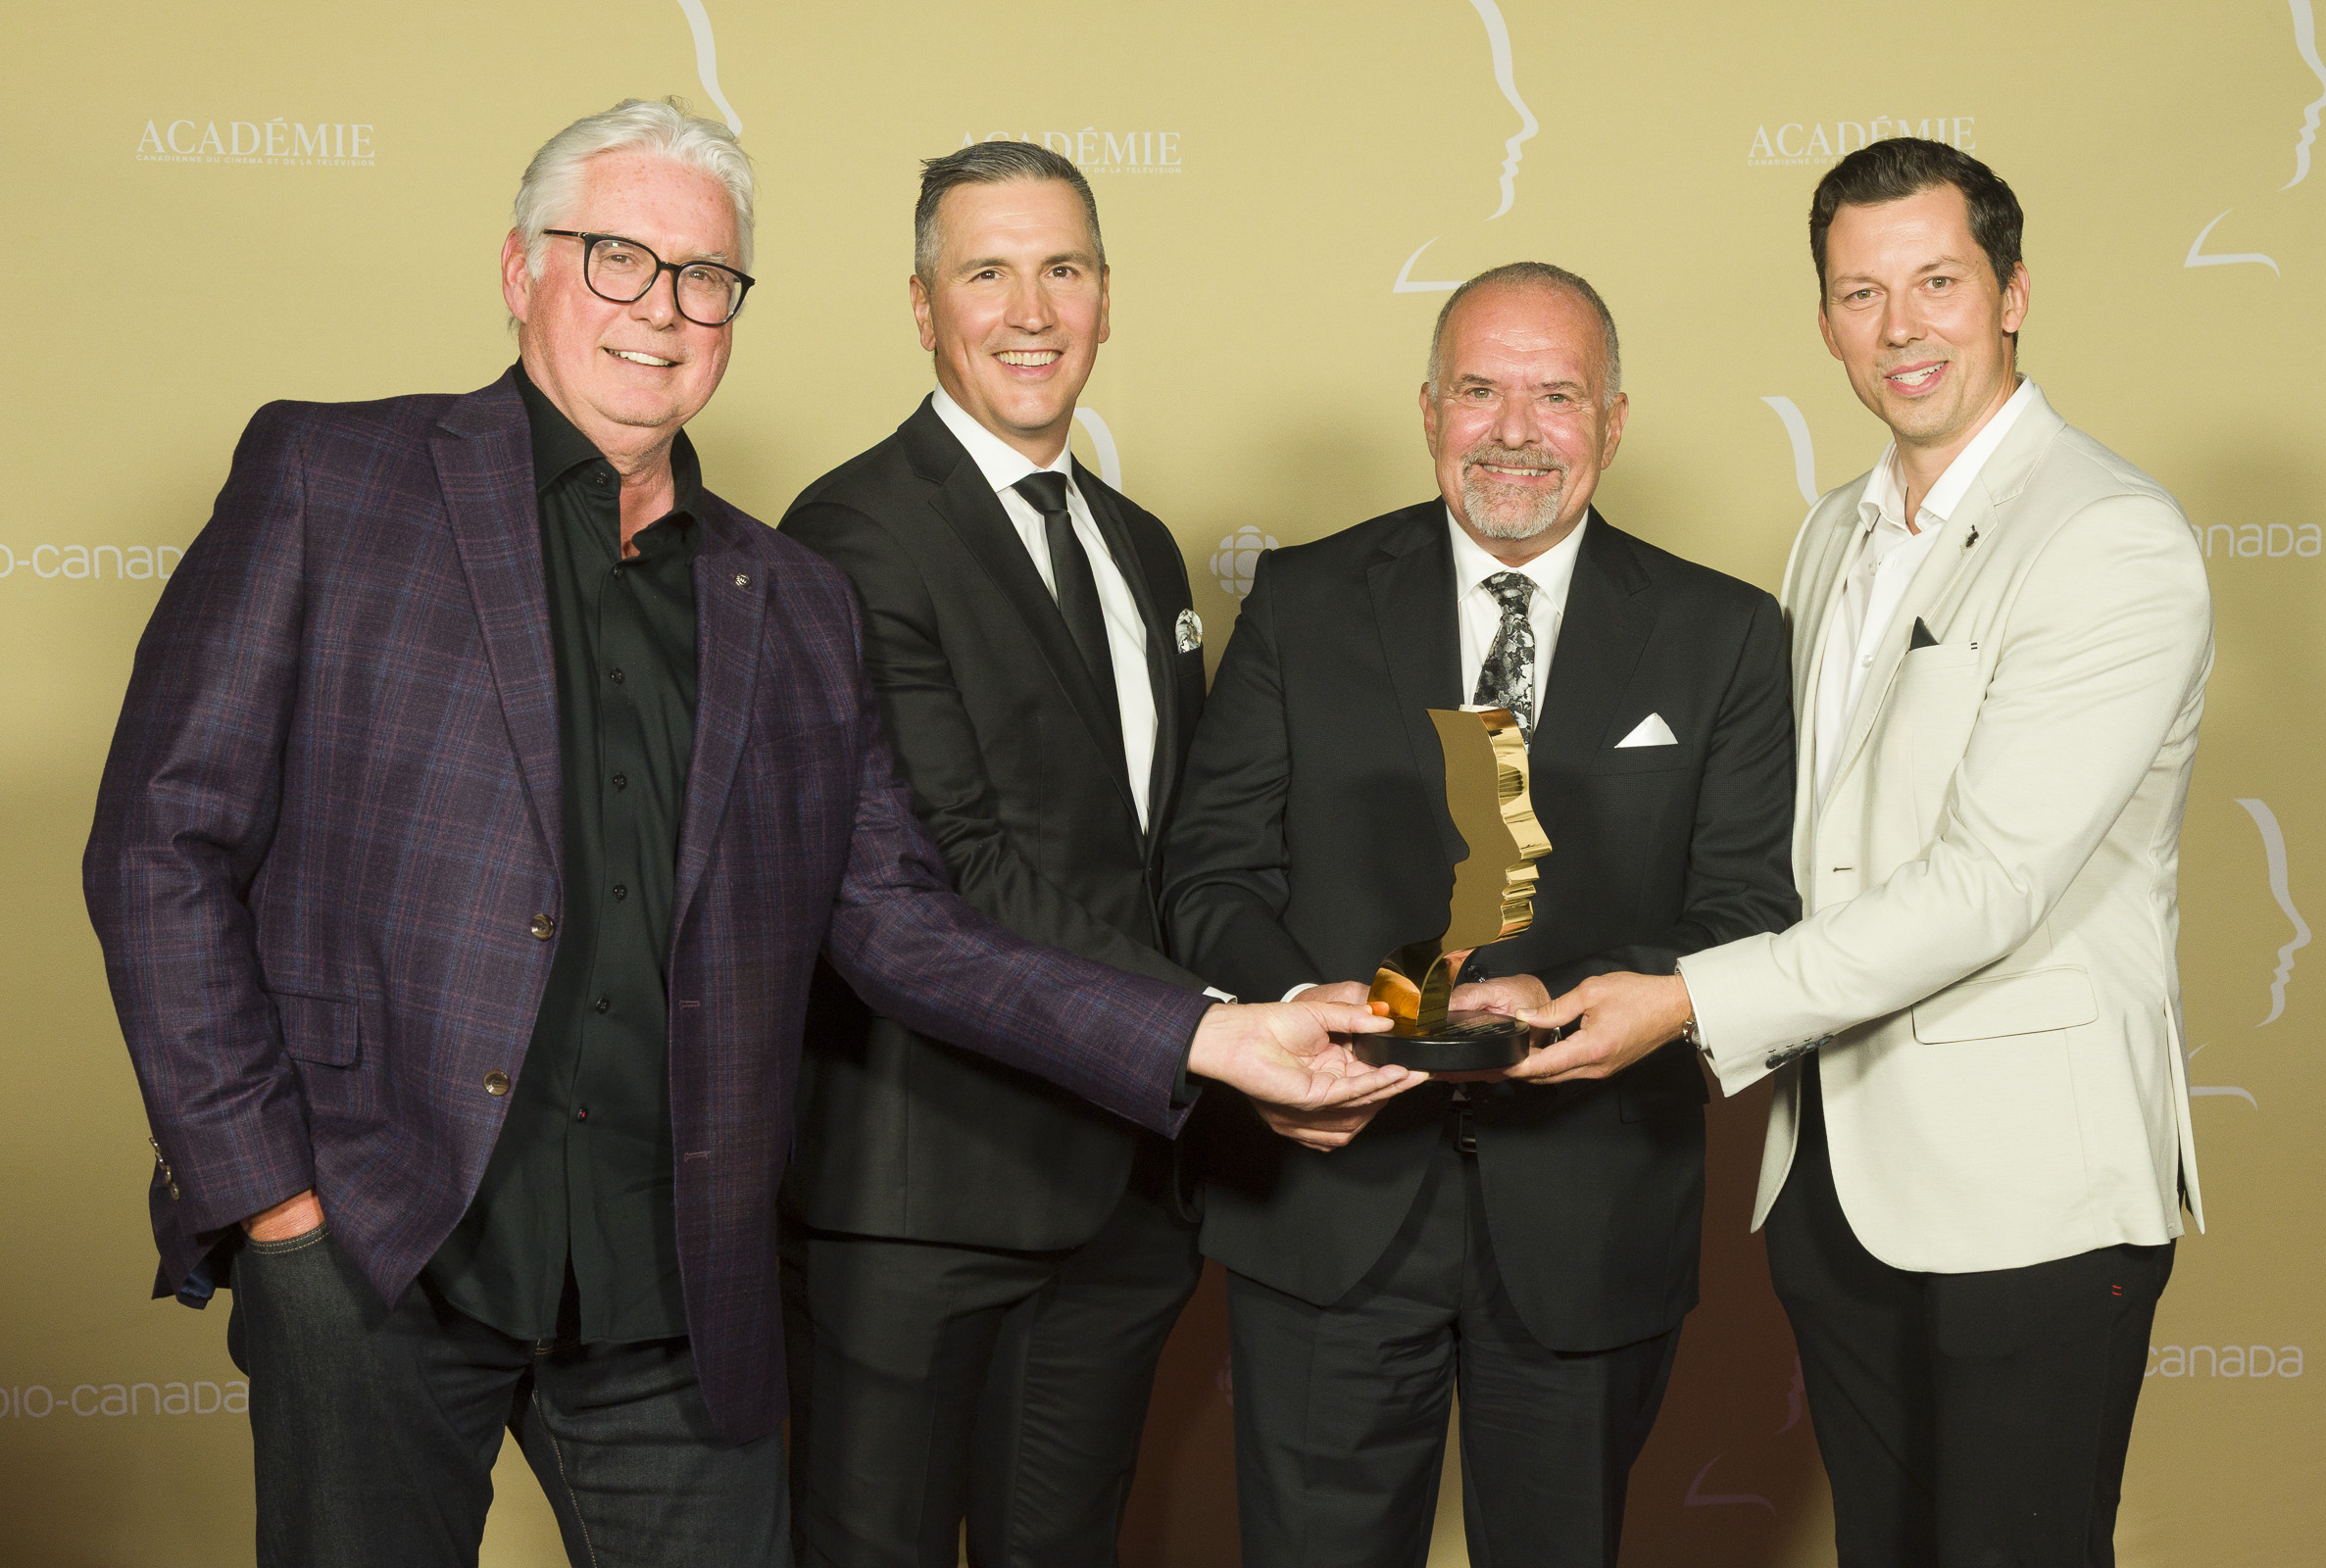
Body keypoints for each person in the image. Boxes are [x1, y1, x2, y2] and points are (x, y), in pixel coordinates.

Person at [81, 98, 1408, 1568]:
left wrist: (1210, 1036)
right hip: (380, 1239)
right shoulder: (337, 480)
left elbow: (902, 921)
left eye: (704, 276)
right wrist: (270, 1197)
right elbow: (159, 842)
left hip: (673, 1285)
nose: (661, 309)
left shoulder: (791, 600)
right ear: (521, 269)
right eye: (617, 258)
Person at [1515, 140, 2211, 1567]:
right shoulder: (1835, 529)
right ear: (1826, 320)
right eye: (1860, 293)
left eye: (1938, 282)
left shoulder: (2108, 538)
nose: (1901, 328)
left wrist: (1687, 1000)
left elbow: (1991, 884)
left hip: (2031, 1192)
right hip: (1835, 1176)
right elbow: (1800, 842)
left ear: (2013, 294)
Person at [1160, 262, 1801, 1568]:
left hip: (1592, 1208)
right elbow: (1209, 870)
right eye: (1479, 391)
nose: (1515, 431)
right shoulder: (1302, 601)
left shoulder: (1725, 633)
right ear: (1428, 410)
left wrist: (1576, 994)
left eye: (1556, 395)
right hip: (1327, 1195)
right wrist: (1302, 1010)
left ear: (1613, 421)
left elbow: (1748, 903)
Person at [776, 139, 1222, 1568]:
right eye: (987, 273)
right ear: (923, 307)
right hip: (923, 1202)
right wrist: (1218, 1027)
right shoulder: (849, 532)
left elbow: (1166, 855)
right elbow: (949, 860)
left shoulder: (1143, 548)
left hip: (1122, 1192)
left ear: (1106, 297)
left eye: (1062, 270)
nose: (1031, 311)